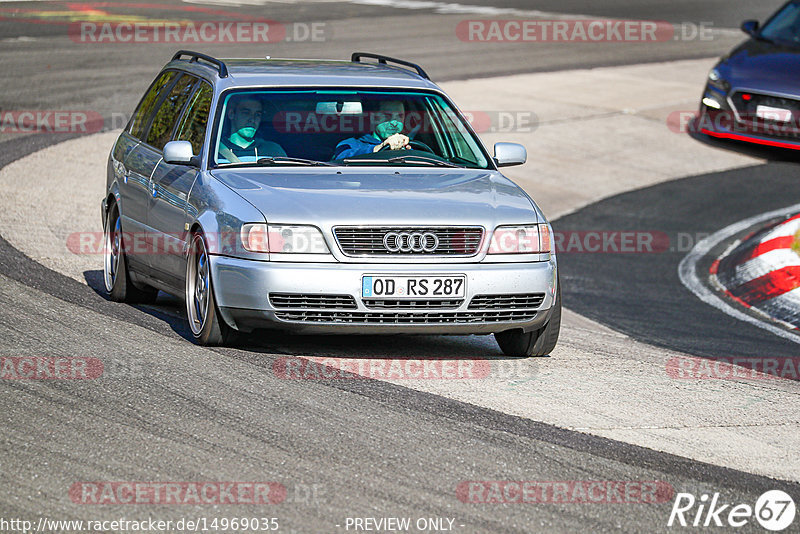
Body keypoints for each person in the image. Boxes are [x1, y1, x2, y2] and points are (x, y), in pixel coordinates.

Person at [333, 100, 410, 159]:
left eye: (400, 116)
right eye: (387, 115)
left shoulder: (409, 145)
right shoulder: (351, 144)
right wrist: (380, 148)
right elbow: (340, 160)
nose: (394, 122)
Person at [219, 96, 286, 162]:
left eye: (257, 115)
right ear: (231, 114)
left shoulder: (273, 151)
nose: (252, 119)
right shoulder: (215, 151)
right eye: (246, 113)